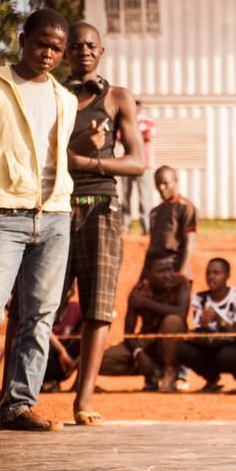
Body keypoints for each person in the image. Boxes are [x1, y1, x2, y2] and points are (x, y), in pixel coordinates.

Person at [0, 9, 81, 431]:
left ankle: (18, 405)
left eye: (57, 48)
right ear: (22, 40)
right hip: (2, 212)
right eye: (41, 43)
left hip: (55, 214)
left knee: (41, 314)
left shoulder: (66, 99)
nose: (48, 53)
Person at [62, 22, 147, 426]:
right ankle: (18, 393)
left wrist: (89, 162)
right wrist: (71, 154)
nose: (82, 51)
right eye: (74, 45)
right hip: (55, 205)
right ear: (64, 52)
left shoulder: (117, 98)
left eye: (90, 46)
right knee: (38, 305)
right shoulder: (52, 95)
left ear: (102, 52)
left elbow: (137, 162)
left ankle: (84, 399)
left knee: (98, 307)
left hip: (101, 206)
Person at [100, 251, 189, 390]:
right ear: (148, 273)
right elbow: (128, 333)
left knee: (173, 321)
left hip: (172, 343)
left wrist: (145, 303)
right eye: (161, 271)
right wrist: (139, 354)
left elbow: (181, 312)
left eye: (170, 269)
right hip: (147, 342)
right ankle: (152, 373)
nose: (168, 275)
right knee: (100, 361)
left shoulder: (181, 283)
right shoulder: (138, 291)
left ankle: (170, 371)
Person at [176, 258, 236, 393]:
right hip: (210, 344)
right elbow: (201, 329)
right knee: (182, 349)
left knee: (227, 355)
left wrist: (218, 319)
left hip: (234, 347)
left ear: (227, 275)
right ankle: (211, 379)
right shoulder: (200, 298)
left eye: (216, 273)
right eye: (208, 273)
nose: (211, 277)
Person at [148, 165, 198, 279]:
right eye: (157, 183)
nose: (161, 187)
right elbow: (152, 246)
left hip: (175, 266)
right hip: (156, 269)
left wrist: (183, 271)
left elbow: (189, 242)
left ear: (176, 181)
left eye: (166, 183)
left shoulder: (185, 207)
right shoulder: (154, 212)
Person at [122, 98, 155, 234]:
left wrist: (133, 135)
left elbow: (149, 136)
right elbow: (121, 137)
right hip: (127, 163)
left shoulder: (147, 121)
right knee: (125, 196)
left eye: (138, 105)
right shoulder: (123, 121)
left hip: (144, 164)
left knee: (145, 196)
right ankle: (125, 225)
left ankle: (146, 227)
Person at [41, 293, 82, 393]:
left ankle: (79, 384)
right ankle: (44, 380)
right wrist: (62, 351)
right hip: (48, 358)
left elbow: (97, 323)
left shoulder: (76, 308)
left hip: (67, 365)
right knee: (40, 338)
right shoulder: (45, 307)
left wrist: (80, 358)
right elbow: (41, 326)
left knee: (85, 340)